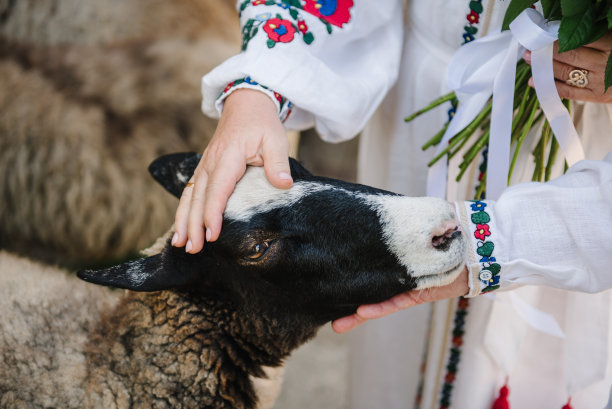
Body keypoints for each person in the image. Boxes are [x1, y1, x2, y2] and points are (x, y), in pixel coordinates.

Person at [172, 1, 612, 407]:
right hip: (420, 105)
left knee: (526, 356)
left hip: (579, 137)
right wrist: (262, 83)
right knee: (391, 348)